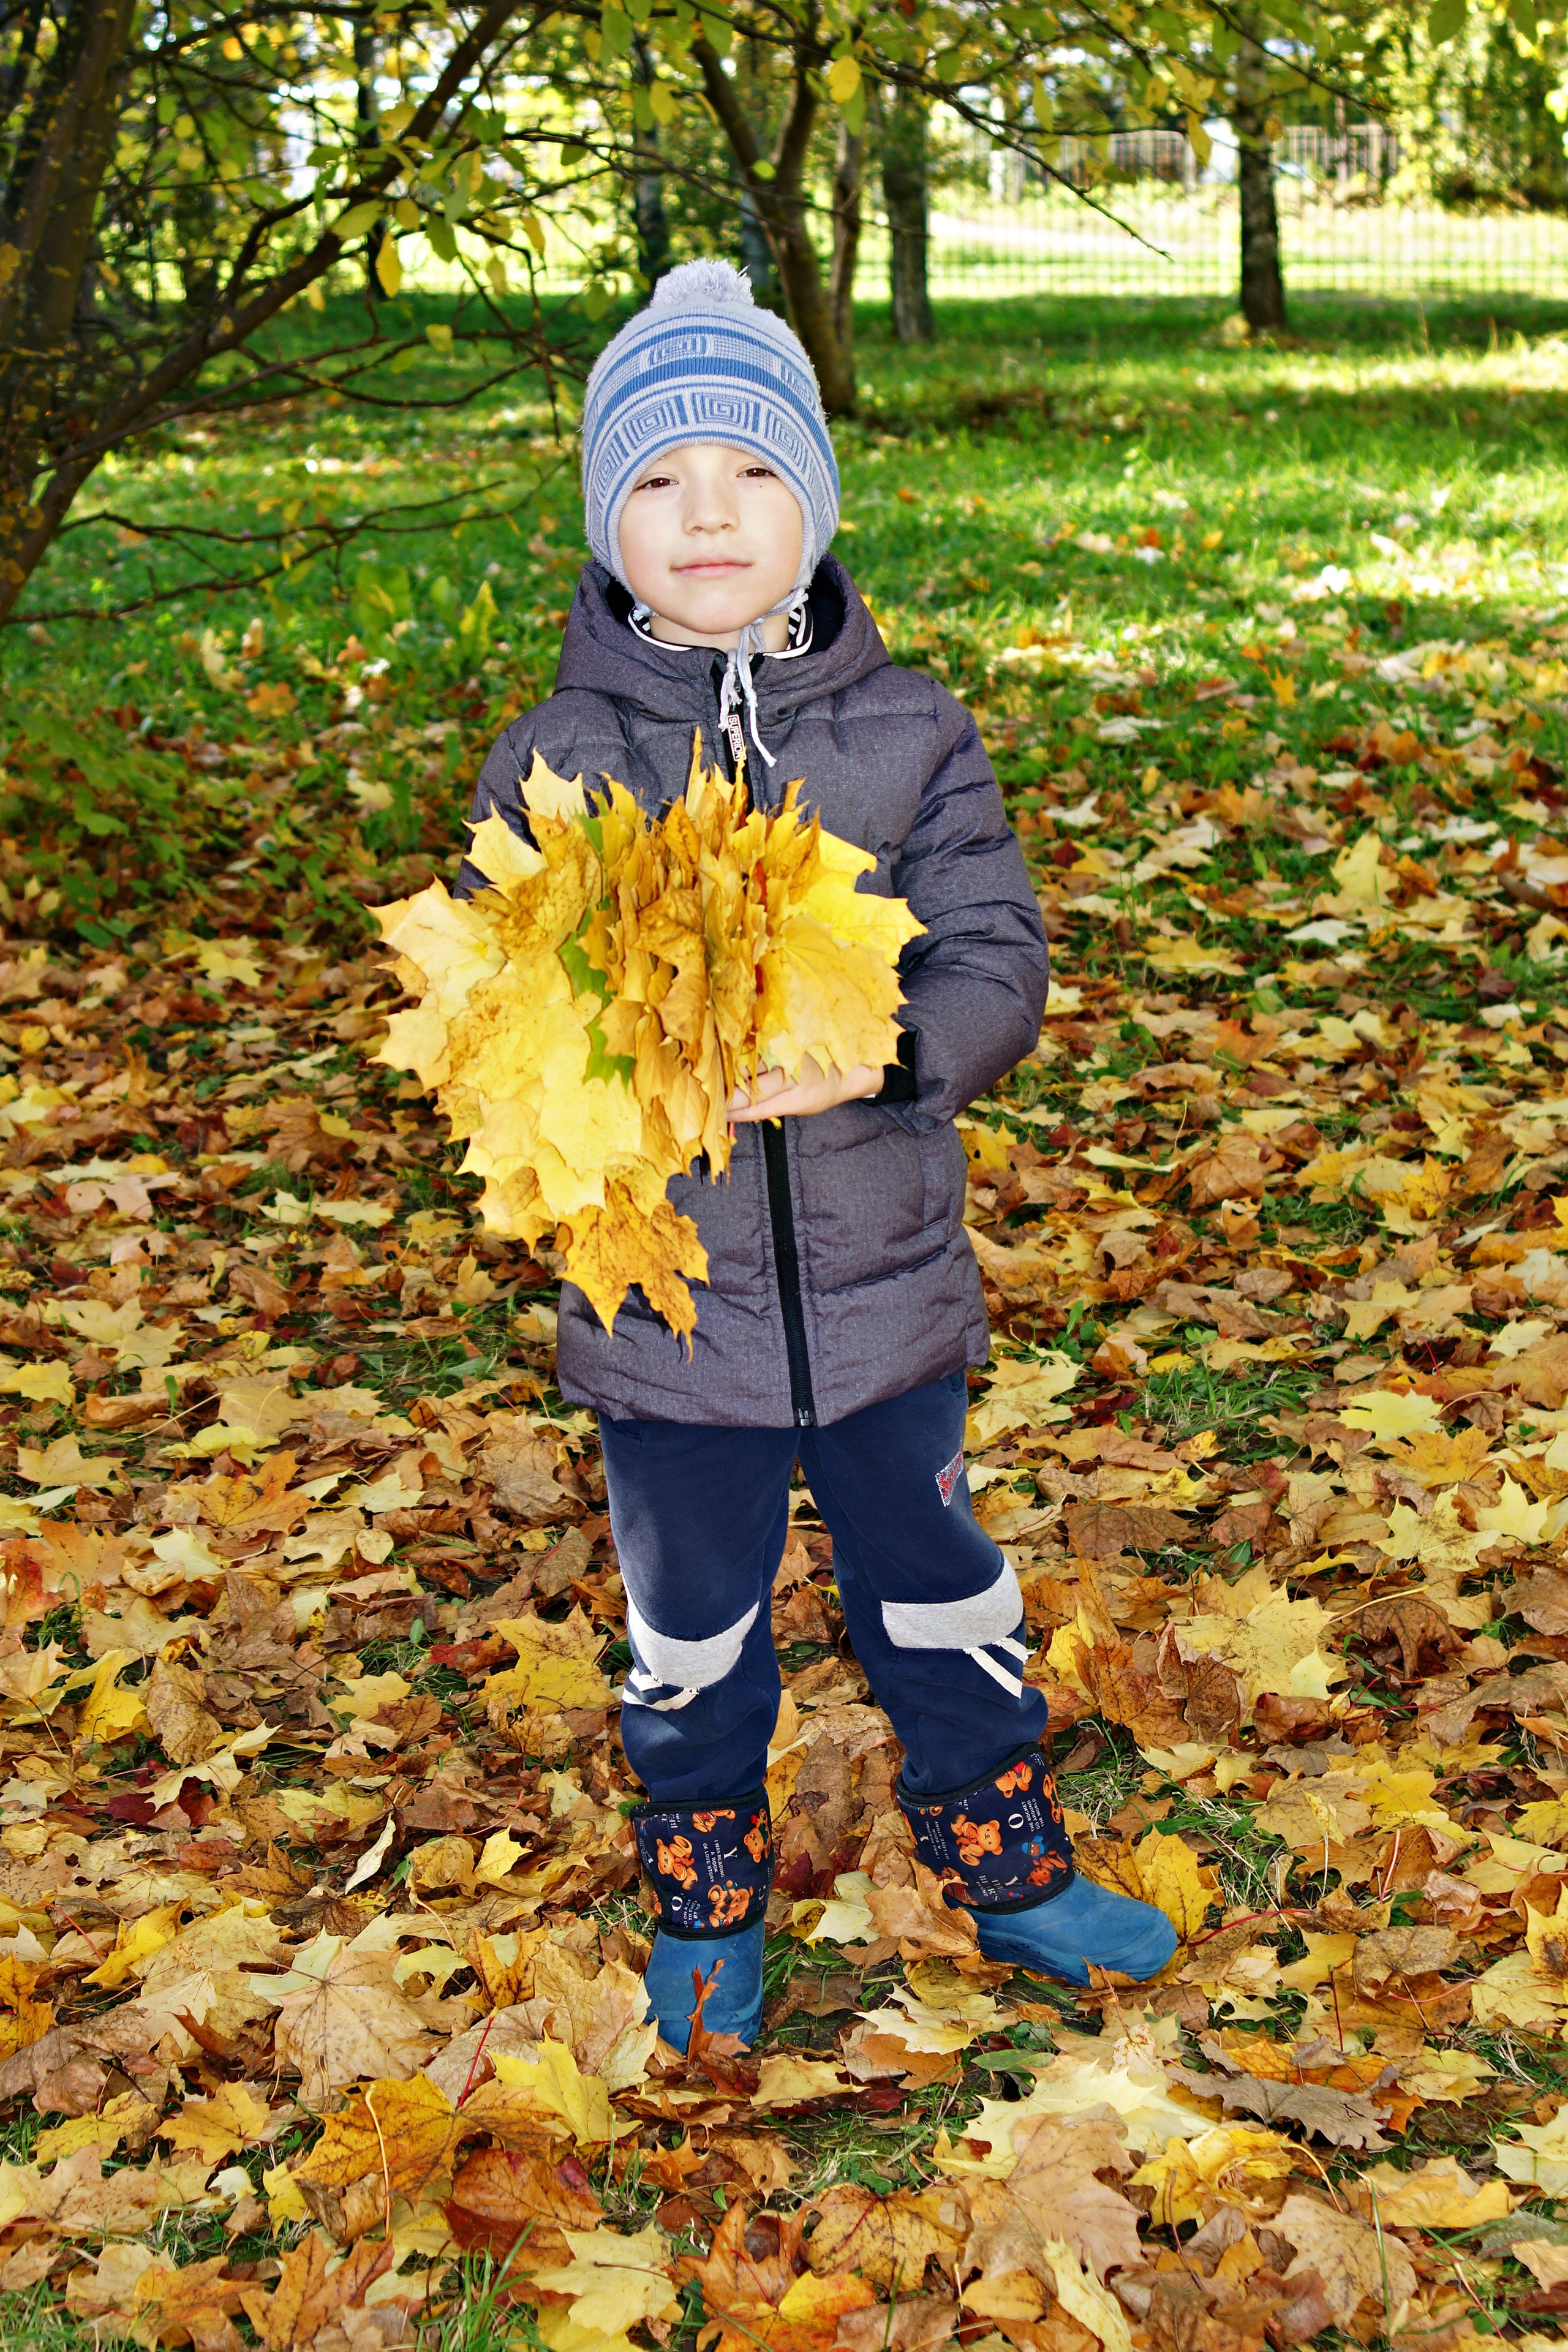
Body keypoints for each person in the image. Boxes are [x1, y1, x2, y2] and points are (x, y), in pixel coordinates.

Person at [462, 259, 1175, 2050]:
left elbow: (998, 949)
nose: (709, 514)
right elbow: (501, 1024)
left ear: (816, 504)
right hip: (667, 1330)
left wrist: (895, 1042)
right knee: (689, 1627)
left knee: (941, 1588)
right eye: (657, 478)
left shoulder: (910, 734)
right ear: (604, 522)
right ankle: (704, 1874)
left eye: (753, 472)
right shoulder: (555, 760)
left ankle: (1003, 1856)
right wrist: (624, 1057)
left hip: (887, 1304)